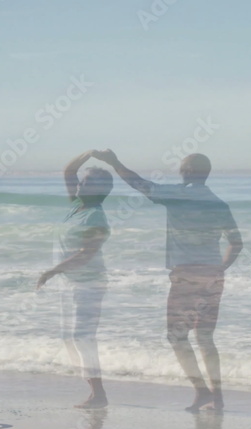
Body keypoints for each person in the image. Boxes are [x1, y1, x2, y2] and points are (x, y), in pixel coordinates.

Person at [93, 149, 242, 412]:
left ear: (188, 172)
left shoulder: (177, 194)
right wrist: (220, 268)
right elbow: (236, 243)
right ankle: (216, 397)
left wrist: (115, 162)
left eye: (182, 169)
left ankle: (201, 391)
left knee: (177, 336)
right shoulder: (219, 203)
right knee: (205, 337)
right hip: (212, 276)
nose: (180, 172)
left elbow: (140, 184)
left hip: (186, 275)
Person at [37, 151, 114, 409]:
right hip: (72, 284)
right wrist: (89, 154)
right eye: (81, 181)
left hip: (90, 284)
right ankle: (94, 390)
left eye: (86, 182)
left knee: (83, 336)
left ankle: (99, 394)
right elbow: (68, 172)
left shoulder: (96, 217)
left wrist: (53, 270)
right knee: (70, 337)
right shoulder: (77, 205)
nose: (79, 184)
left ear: (98, 190)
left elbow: (86, 254)